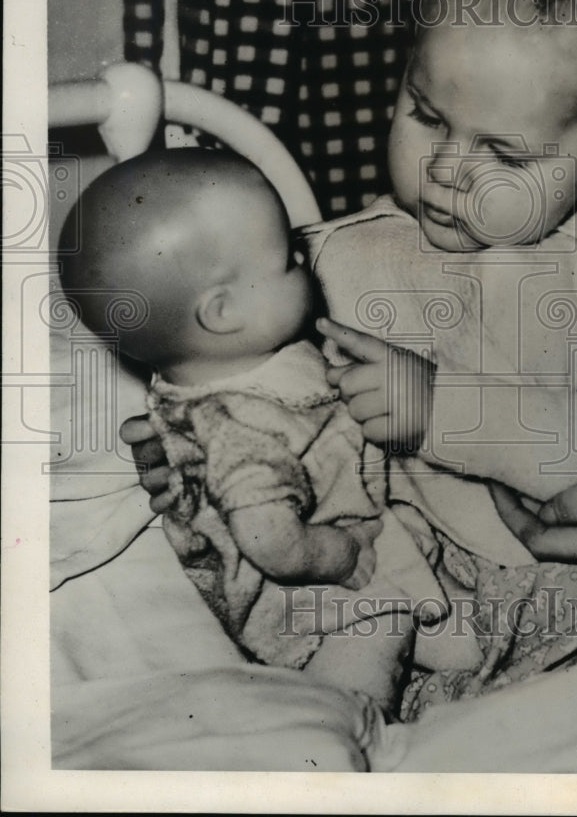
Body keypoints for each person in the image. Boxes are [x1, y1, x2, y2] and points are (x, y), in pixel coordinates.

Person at [124, 0, 577, 709]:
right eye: (427, 115)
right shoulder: (332, 257)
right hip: (413, 598)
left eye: (503, 153)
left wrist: (440, 412)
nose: (446, 167)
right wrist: (201, 433)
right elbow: (274, 401)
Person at [58, 147, 447, 712]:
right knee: (376, 632)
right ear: (221, 313)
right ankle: (341, 726)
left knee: (457, 619)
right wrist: (337, 556)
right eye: (287, 259)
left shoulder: (250, 367)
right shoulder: (239, 427)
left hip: (361, 531)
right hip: (305, 594)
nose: (304, 257)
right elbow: (269, 540)